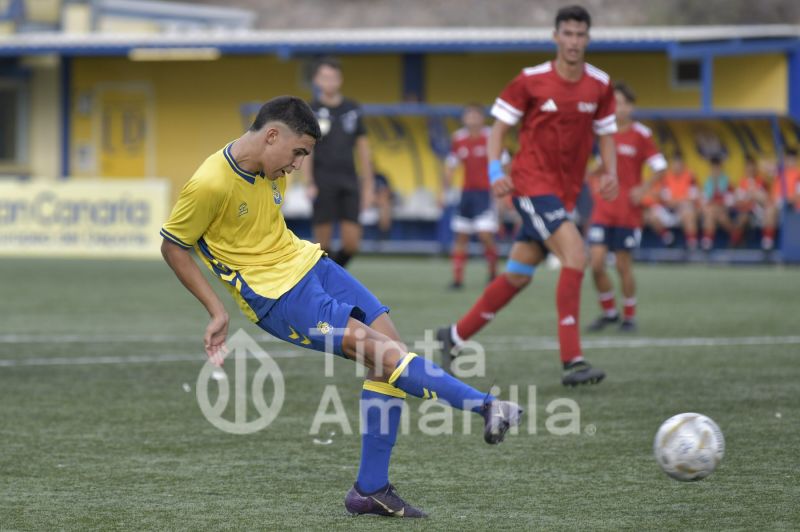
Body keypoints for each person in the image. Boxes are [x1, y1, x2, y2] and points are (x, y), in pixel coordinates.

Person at [159, 96, 521, 519]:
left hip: (313, 264)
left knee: (390, 348)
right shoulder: (210, 183)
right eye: (298, 153)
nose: (297, 165)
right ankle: (485, 406)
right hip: (277, 297)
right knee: (382, 354)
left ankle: (370, 489)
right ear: (272, 135)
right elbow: (173, 246)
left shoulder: (271, 166)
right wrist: (216, 311)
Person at [436, 5, 619, 386]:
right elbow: (498, 130)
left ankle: (452, 338)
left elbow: (606, 134)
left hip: (564, 193)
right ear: (556, 37)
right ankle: (573, 360)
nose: (573, 41)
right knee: (576, 255)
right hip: (532, 185)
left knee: (518, 275)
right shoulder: (530, 80)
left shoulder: (600, 85)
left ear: (588, 38)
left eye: (580, 34)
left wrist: (610, 172)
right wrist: (495, 171)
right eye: (567, 34)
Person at [586, 82, 667, 333]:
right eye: (614, 103)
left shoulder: (642, 135)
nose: (617, 108)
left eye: (622, 103)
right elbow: (599, 166)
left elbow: (660, 167)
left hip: (627, 213)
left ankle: (629, 316)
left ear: (631, 107)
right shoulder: (603, 133)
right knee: (596, 264)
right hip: (603, 210)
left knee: (623, 266)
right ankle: (610, 312)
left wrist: (643, 190)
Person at [303, 57, 374, 268]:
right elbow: (306, 149)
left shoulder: (352, 109)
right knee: (322, 245)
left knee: (352, 243)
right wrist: (309, 182)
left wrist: (368, 186)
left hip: (349, 181)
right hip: (323, 181)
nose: (329, 81)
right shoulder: (311, 110)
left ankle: (333, 275)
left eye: (333, 77)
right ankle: (327, 283)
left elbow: (363, 150)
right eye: (324, 77)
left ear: (340, 79)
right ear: (316, 80)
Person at [442, 104, 499, 289]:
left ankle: (492, 272)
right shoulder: (459, 138)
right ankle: (457, 280)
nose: (472, 119)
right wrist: (444, 190)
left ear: (482, 118)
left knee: (485, 236)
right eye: (469, 116)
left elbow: (504, 164)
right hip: (466, 194)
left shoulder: (491, 136)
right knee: (461, 236)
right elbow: (451, 165)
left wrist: (503, 193)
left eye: (475, 115)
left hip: (485, 194)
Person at [643, 152, 700, 249]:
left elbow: (693, 197)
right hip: (668, 210)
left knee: (688, 211)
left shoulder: (690, 176)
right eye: (674, 163)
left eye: (678, 163)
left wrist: (679, 201)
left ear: (682, 164)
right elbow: (665, 199)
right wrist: (679, 200)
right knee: (650, 214)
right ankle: (667, 238)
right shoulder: (666, 177)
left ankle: (692, 244)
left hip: (682, 211)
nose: (676, 166)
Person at [700, 155, 735, 251]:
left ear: (720, 168)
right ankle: (708, 242)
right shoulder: (708, 182)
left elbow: (730, 201)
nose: (715, 170)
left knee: (718, 215)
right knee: (711, 213)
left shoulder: (727, 181)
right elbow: (704, 200)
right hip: (712, 211)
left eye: (717, 168)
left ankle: (708, 240)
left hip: (725, 210)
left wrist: (719, 205)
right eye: (713, 168)